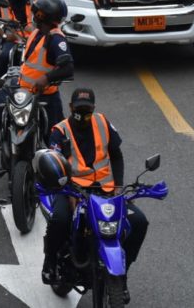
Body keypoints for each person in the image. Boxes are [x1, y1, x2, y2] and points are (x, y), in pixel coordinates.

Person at [40, 88, 148, 304]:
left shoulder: (102, 123)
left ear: (94, 108)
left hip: (106, 191)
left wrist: (118, 186)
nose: (83, 112)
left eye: (87, 108)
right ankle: (50, 262)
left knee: (139, 221)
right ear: (70, 108)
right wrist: (69, 191)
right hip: (72, 190)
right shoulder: (59, 131)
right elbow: (56, 164)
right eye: (79, 108)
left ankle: (122, 273)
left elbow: (116, 156)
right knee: (60, 220)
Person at [0, 0, 74, 170]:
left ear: (41, 16)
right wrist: (9, 28)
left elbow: (67, 68)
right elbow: (23, 39)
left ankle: (64, 176)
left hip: (44, 95)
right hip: (19, 88)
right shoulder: (37, 32)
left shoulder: (56, 39)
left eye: (36, 13)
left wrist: (46, 79)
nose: (33, 14)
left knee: (57, 136)